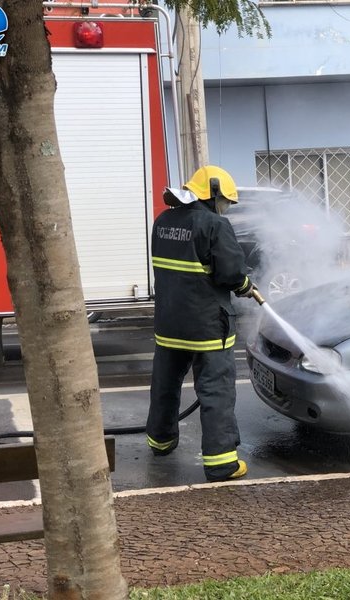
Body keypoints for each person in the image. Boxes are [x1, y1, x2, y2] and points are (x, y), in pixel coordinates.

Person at [146, 165, 257, 482]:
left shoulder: (163, 221)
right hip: (207, 327)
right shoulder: (215, 225)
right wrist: (245, 285)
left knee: (165, 386)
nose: (226, 208)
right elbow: (231, 274)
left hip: (169, 324)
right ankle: (222, 463)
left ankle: (161, 441)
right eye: (225, 201)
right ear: (212, 193)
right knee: (216, 392)